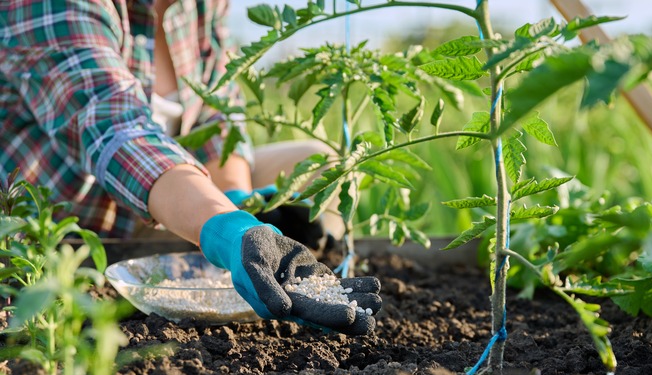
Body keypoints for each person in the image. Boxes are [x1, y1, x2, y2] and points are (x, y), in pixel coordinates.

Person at [0, 0, 381, 335]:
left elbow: (218, 120)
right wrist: (228, 227)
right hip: (69, 224)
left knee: (320, 167)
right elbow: (118, 133)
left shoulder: (197, 5)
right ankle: (219, 252)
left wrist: (239, 202)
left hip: (173, 201)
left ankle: (257, 276)